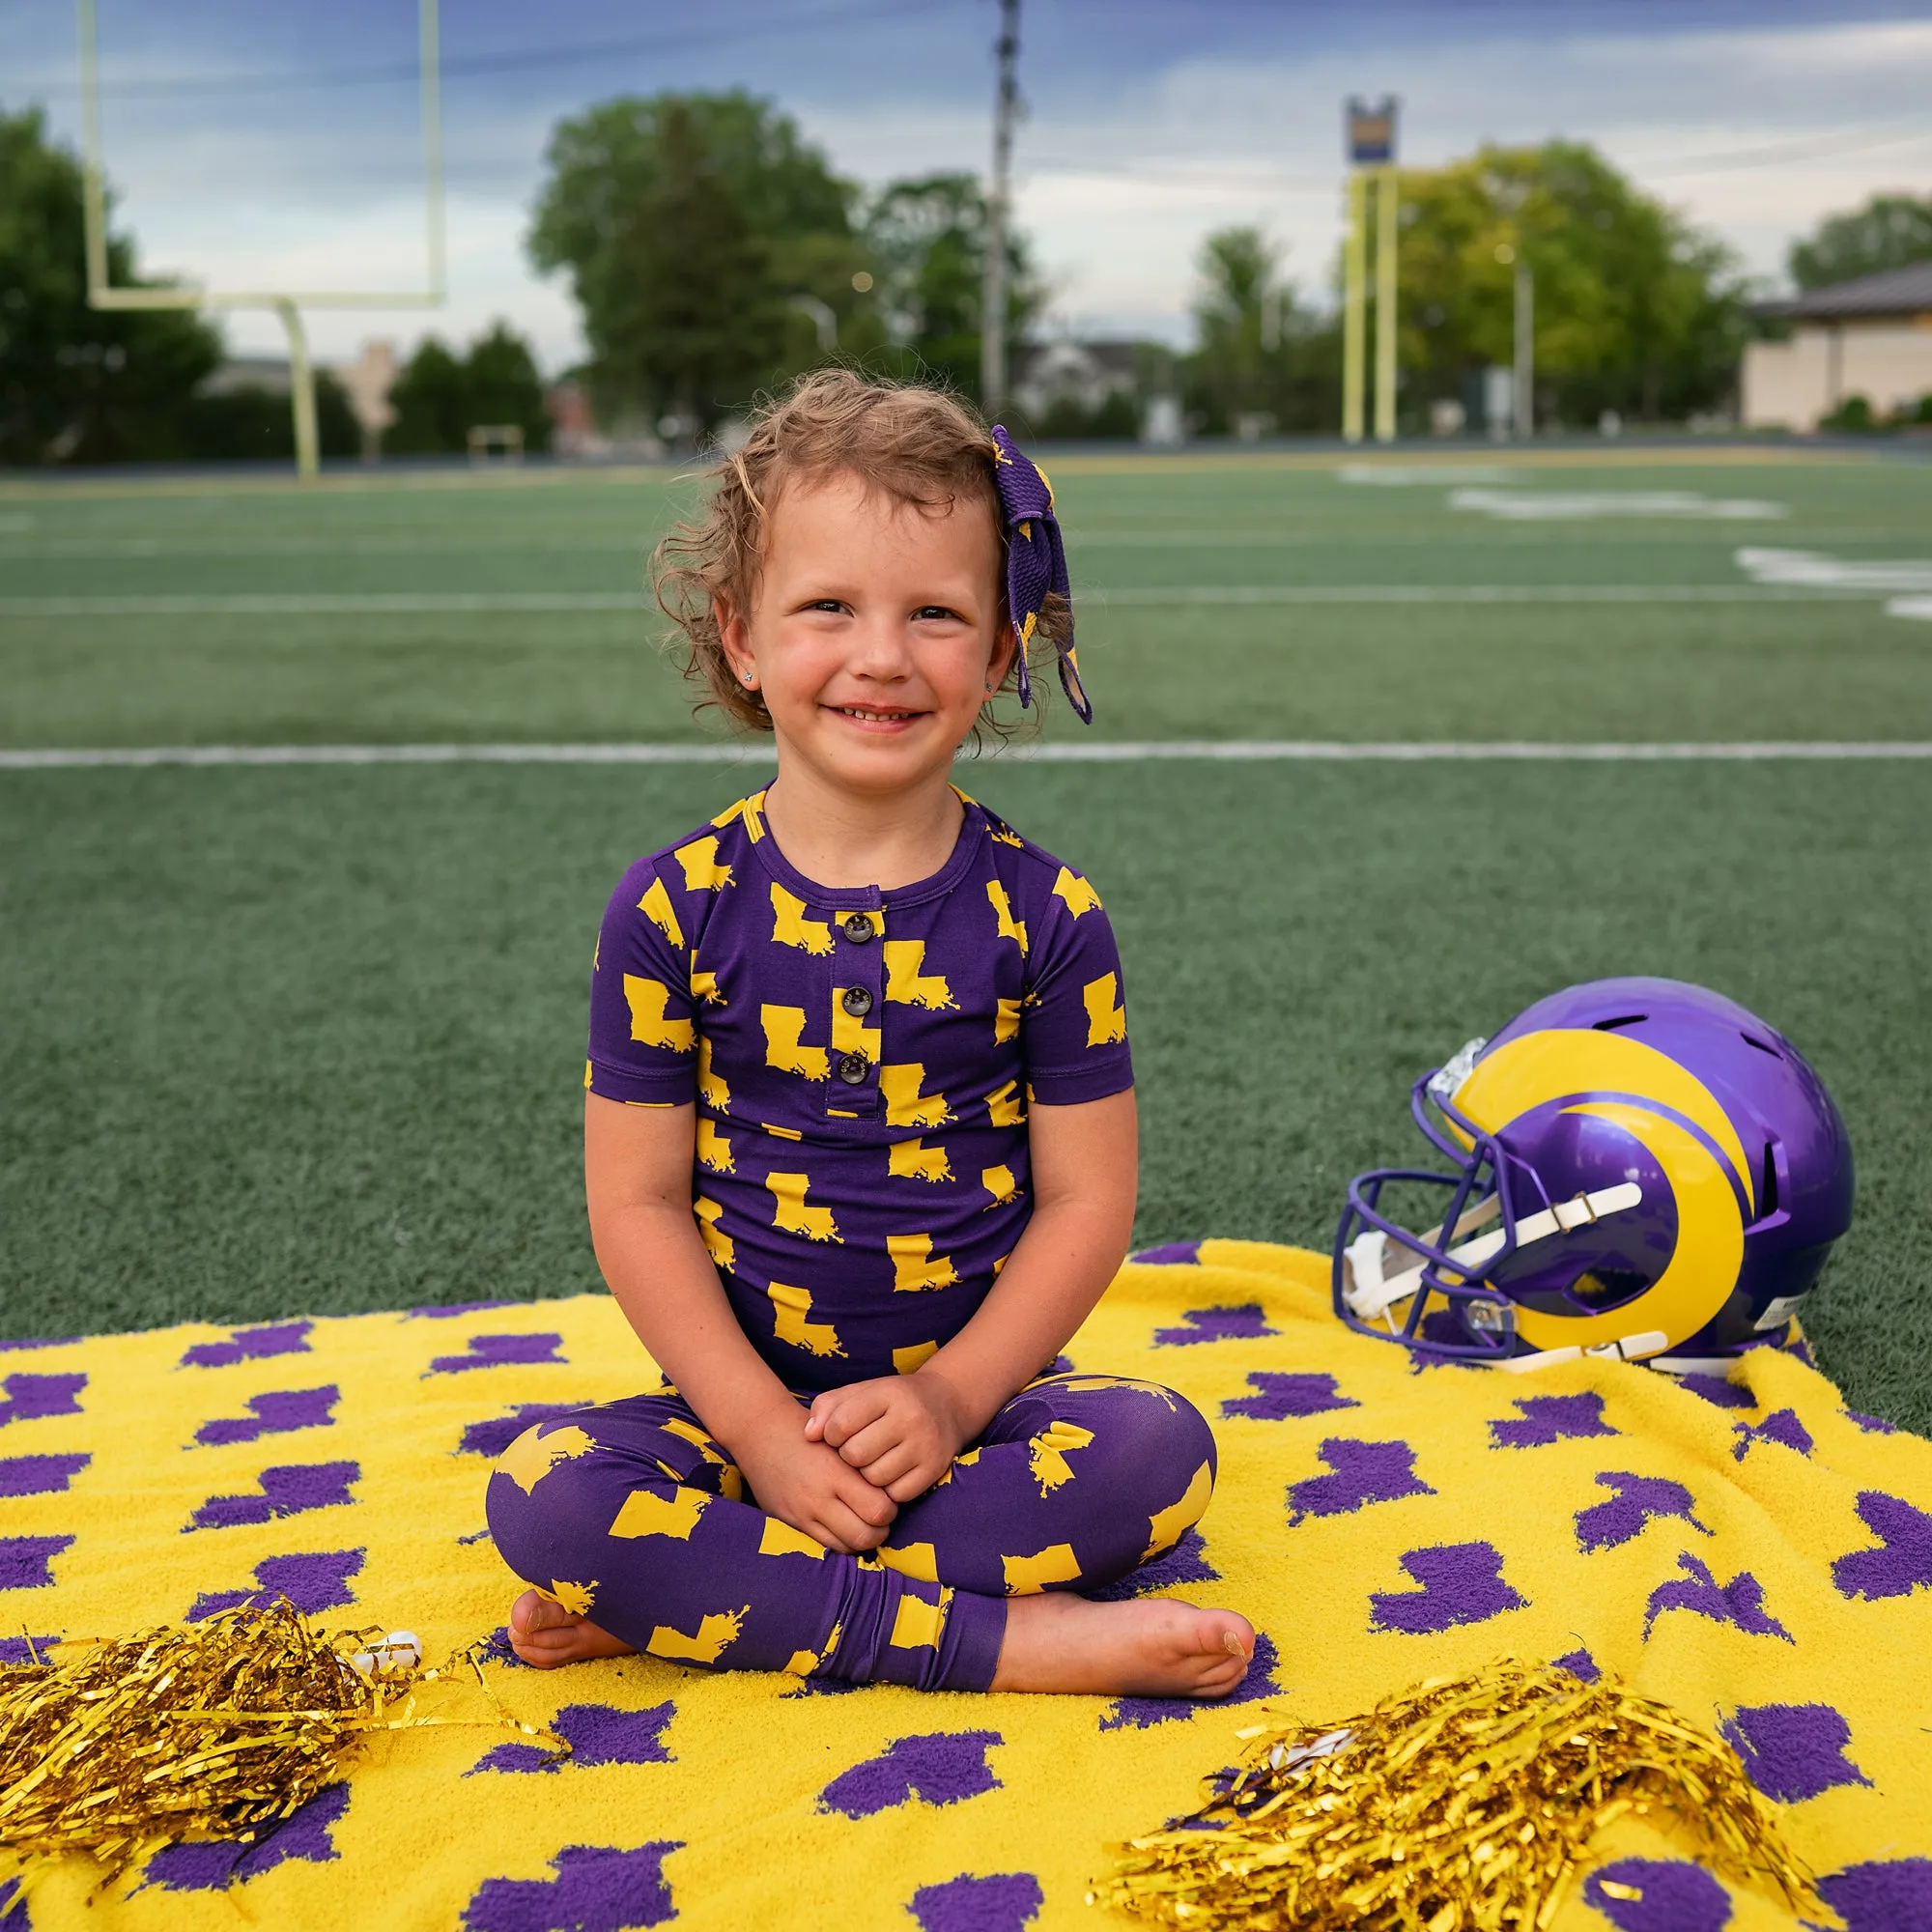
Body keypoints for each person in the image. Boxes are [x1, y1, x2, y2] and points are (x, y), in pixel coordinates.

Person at [487, 371, 1254, 1696]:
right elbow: (639, 1203)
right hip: (740, 1419)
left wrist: (952, 1401)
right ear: (740, 636)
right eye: (828, 607)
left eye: (938, 614)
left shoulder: (1048, 917)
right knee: (543, 1500)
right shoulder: (672, 906)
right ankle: (1003, 1642)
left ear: (1004, 645)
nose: (882, 655)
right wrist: (763, 1436)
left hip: (979, 1417)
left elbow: (1086, 1203)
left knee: (1159, 1451)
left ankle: (721, 1594)